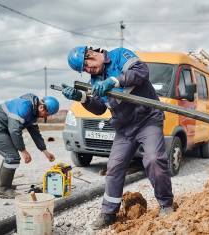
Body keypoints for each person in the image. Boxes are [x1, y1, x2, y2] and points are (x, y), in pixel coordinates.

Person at [63, 46, 174, 229]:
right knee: (114, 167)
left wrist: (114, 81)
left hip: (148, 119)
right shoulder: (94, 80)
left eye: (87, 65)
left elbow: (141, 71)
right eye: (84, 70)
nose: (88, 70)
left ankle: (166, 204)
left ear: (90, 54)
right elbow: (99, 108)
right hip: (124, 127)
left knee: (154, 159)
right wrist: (82, 98)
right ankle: (108, 213)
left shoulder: (119, 55)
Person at [0, 93, 59, 199]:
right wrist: (23, 150)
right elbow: (14, 130)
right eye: (46, 115)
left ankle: (3, 185)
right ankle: (4, 189)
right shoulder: (24, 107)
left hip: (4, 128)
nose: (45, 117)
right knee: (12, 157)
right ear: (42, 107)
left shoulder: (33, 112)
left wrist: (45, 151)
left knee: (10, 156)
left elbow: (35, 133)